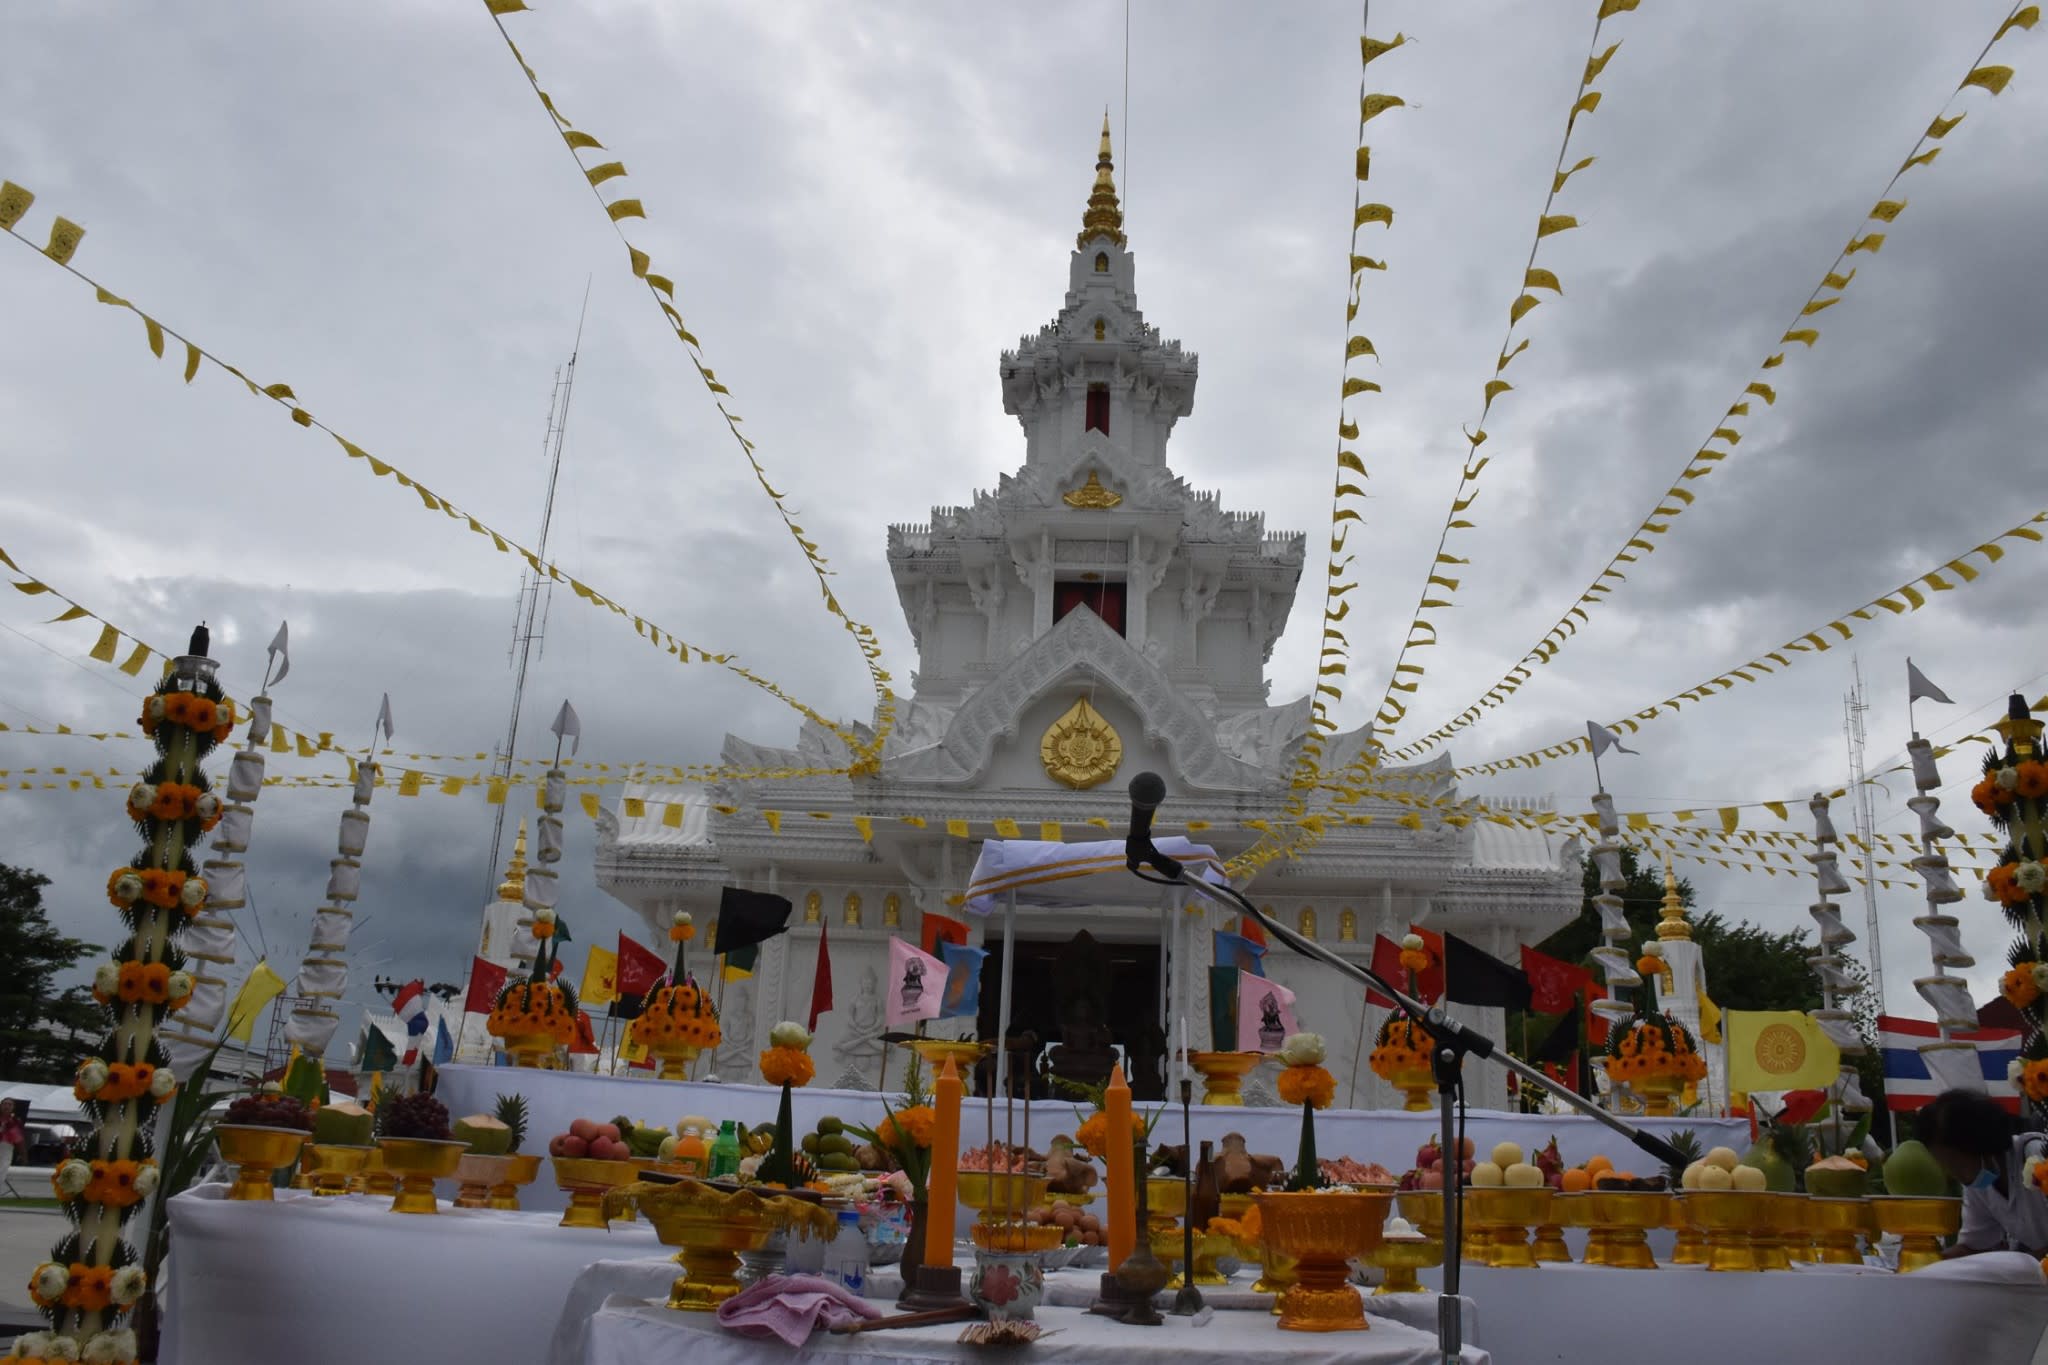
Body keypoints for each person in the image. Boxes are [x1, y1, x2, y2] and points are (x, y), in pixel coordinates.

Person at [1917, 1087, 2048, 1257]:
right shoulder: (1979, 1181)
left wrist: (2017, 1264)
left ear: (1980, 1145)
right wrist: (1926, 1263)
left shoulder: (2039, 1156)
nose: (1953, 1174)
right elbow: (1973, 1247)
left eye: (1955, 1163)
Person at [0, 1099, 23, 1190]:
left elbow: (19, 1139)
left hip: (7, 1147)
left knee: (2, 1170)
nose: (7, 1106)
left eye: (10, 1104)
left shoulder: (16, 1121)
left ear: (13, 1108)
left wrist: (22, 1154)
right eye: (5, 1104)